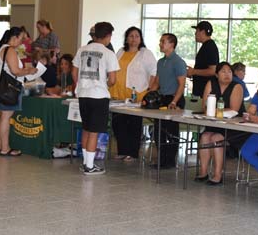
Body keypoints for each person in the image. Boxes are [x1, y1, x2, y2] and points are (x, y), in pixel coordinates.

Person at [72, 22, 119, 175]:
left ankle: (86, 162)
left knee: (86, 128)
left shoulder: (82, 50)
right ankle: (90, 166)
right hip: (98, 95)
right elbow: (112, 80)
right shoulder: (108, 53)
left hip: (83, 94)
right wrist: (102, 83)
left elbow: (74, 72)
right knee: (94, 132)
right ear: (108, 36)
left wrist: (80, 84)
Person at [110, 27, 157, 162]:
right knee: (118, 123)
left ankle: (132, 152)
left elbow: (154, 72)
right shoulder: (120, 51)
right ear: (126, 38)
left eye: (137, 36)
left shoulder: (145, 53)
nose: (134, 39)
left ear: (141, 39)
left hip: (137, 93)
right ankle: (122, 150)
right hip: (118, 93)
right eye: (131, 36)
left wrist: (150, 90)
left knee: (133, 124)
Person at [196, 62, 244, 185]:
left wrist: (214, 110)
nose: (227, 74)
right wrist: (211, 110)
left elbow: (234, 109)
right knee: (205, 137)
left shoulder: (237, 86)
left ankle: (218, 174)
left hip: (233, 125)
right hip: (214, 123)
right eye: (223, 71)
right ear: (217, 74)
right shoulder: (211, 83)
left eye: (229, 72)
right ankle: (203, 172)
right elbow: (204, 106)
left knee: (216, 138)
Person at [0, 27, 38, 156]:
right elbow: (15, 71)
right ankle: (5, 148)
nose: (22, 42)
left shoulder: (1, 48)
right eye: (21, 39)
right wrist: (30, 71)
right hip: (8, 88)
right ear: (15, 37)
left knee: (2, 117)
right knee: (6, 117)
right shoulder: (10, 50)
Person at [148, 33, 187, 169]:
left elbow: (182, 84)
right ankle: (162, 159)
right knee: (159, 130)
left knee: (171, 131)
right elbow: (157, 82)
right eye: (160, 41)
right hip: (163, 98)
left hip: (174, 98)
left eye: (163, 41)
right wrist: (148, 95)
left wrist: (174, 102)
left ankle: (170, 160)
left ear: (172, 44)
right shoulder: (161, 62)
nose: (160, 44)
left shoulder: (178, 62)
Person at [187, 21, 219, 98]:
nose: (195, 34)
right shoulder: (206, 46)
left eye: (197, 31)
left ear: (203, 32)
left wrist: (194, 71)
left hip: (205, 92)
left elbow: (212, 70)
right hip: (201, 90)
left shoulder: (210, 47)